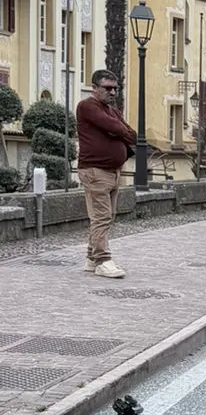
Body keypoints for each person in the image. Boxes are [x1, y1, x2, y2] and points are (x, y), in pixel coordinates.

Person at [75, 69, 138, 278]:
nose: (112, 92)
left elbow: (132, 135)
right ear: (94, 88)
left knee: (105, 217)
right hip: (95, 170)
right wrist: (118, 130)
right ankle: (103, 260)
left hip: (113, 172)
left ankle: (91, 258)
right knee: (101, 217)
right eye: (107, 88)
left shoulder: (112, 110)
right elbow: (115, 128)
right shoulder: (87, 106)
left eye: (115, 89)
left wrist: (118, 130)